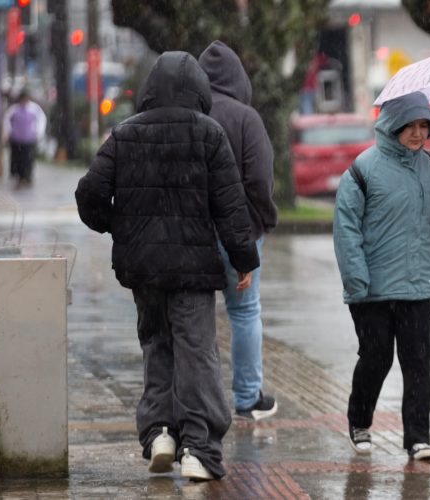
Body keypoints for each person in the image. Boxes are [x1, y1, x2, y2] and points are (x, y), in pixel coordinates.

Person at [75, 51, 259, 482]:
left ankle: (159, 432)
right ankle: (199, 447)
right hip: (193, 269)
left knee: (156, 345)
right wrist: (244, 259)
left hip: (143, 269)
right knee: (197, 355)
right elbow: (231, 207)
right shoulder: (209, 134)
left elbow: (89, 195)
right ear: (200, 90)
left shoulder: (124, 134)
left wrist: (119, 225)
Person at [332, 91, 430, 461]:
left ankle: (418, 436)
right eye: (411, 126)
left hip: (419, 285)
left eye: (424, 126)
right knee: (377, 357)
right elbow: (346, 228)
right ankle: (359, 419)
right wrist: (357, 281)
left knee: (417, 360)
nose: (418, 134)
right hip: (371, 289)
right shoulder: (362, 170)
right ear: (392, 125)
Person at [198, 40, 279, 421]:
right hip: (240, 231)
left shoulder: (189, 113)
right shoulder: (247, 118)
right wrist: (263, 219)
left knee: (194, 316)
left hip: (194, 231)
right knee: (244, 312)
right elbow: (259, 180)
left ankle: (199, 399)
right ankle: (247, 398)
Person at [3, 88, 46, 188]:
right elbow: (6, 120)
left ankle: (27, 177)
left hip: (29, 139)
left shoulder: (34, 108)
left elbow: (42, 119)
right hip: (16, 139)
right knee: (17, 159)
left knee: (28, 159)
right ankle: (20, 177)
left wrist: (39, 133)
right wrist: (7, 132)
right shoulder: (14, 109)